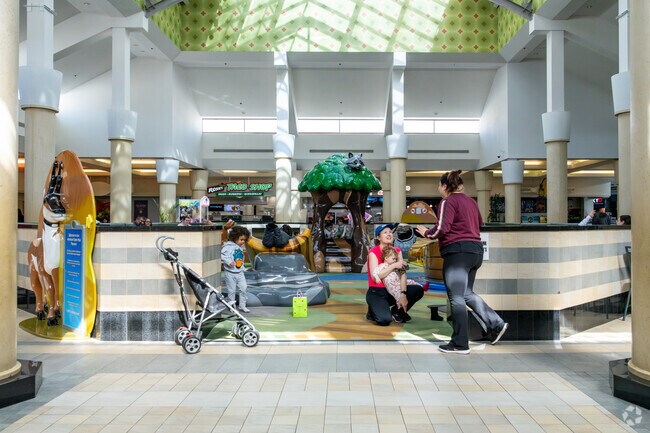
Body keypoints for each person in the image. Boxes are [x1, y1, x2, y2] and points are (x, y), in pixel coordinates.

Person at [416, 170, 508, 354]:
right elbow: (479, 224)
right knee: (466, 293)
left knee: (456, 297)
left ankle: (460, 343)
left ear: (444, 186)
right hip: (475, 252)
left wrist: (426, 232)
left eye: (439, 186)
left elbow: (442, 228)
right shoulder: (471, 202)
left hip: (457, 253)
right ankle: (496, 324)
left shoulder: (448, 201)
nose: (439, 189)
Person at [366, 224, 424, 325]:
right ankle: (372, 310)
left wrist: (403, 293)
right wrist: (394, 266)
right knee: (384, 320)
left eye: (390, 232)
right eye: (385, 232)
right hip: (377, 291)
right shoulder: (373, 252)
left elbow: (402, 274)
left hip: (394, 288)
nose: (389, 234)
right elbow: (376, 277)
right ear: (379, 237)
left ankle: (397, 312)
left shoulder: (397, 251)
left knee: (418, 289)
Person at [221, 225, 251, 313]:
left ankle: (242, 305)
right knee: (231, 291)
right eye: (241, 240)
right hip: (230, 273)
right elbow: (222, 255)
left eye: (244, 240)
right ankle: (231, 306)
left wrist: (243, 268)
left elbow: (239, 260)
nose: (243, 242)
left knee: (243, 288)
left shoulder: (239, 248)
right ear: (235, 238)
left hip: (239, 273)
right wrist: (229, 261)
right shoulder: (228, 246)